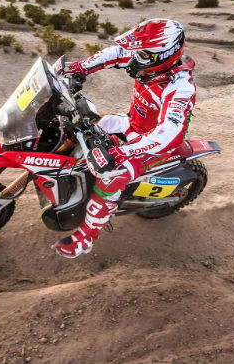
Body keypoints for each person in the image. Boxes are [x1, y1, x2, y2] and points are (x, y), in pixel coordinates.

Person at [53, 18, 196, 258]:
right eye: (138, 52)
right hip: (132, 124)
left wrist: (122, 152)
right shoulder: (152, 63)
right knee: (79, 123)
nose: (136, 57)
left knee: (112, 175)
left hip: (155, 144)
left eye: (143, 54)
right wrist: (80, 67)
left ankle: (86, 237)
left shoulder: (180, 88)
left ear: (164, 54)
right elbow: (118, 52)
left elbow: (170, 131)